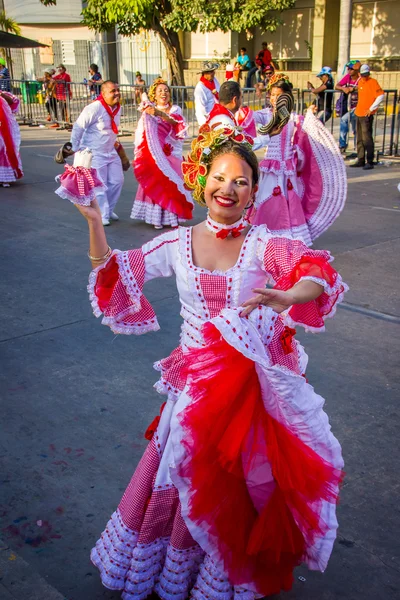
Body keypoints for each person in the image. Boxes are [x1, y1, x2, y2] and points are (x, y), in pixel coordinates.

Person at [75, 125, 346, 600]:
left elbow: (315, 272)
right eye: (220, 177)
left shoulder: (265, 244)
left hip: (247, 393)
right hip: (194, 389)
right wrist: (96, 223)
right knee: (183, 477)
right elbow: (118, 273)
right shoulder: (177, 245)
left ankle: (224, 576)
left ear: (253, 193)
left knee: (244, 485)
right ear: (202, 183)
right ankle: (177, 570)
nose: (228, 188)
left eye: (241, 181)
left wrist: (287, 294)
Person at [249, 73, 346, 246]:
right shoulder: (266, 115)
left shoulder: (294, 118)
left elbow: (305, 136)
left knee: (288, 202)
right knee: (267, 200)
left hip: (287, 169)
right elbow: (249, 117)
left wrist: (310, 115)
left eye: (279, 95)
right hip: (271, 168)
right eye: (272, 95)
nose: (274, 99)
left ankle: (287, 237)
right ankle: (265, 235)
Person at [131, 78, 193, 229]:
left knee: (171, 184)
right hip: (154, 153)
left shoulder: (174, 110)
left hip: (169, 153)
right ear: (154, 95)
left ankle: (171, 216)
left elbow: (175, 122)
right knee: (156, 182)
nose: (163, 93)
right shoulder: (148, 111)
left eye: (166, 90)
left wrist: (158, 113)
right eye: (160, 91)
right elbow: (141, 132)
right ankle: (156, 218)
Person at [70, 80, 124, 226]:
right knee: (100, 186)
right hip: (94, 152)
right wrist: (75, 148)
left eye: (117, 90)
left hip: (110, 151)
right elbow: (78, 127)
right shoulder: (94, 108)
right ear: (104, 93)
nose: (117, 93)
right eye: (113, 91)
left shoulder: (118, 108)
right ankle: (102, 214)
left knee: (117, 181)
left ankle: (109, 209)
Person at [350, 64, 384, 170]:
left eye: (366, 75)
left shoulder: (373, 82)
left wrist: (371, 108)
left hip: (366, 114)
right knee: (359, 138)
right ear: (360, 74)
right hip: (359, 113)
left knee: (367, 138)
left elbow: (380, 95)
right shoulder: (360, 82)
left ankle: (369, 161)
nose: (365, 77)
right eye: (363, 75)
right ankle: (361, 159)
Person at [335, 60, 361, 154]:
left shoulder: (361, 78)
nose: (349, 71)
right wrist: (343, 88)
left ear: (357, 70)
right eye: (348, 69)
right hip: (350, 106)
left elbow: (362, 87)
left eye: (351, 69)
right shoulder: (347, 77)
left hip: (359, 106)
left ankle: (350, 146)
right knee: (354, 127)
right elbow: (337, 86)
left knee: (346, 121)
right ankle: (348, 146)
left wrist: (353, 88)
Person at [0, 91, 23, 186]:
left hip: (3, 129)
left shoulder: (3, 94)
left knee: (4, 150)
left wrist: (1, 95)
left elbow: (13, 102)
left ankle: (5, 178)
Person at [194, 61, 220, 126]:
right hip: (209, 119)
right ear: (205, 73)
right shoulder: (200, 88)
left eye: (213, 71)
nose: (213, 73)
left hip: (218, 115)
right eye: (210, 72)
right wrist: (205, 124)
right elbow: (200, 109)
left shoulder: (215, 81)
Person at [53, 64, 72, 129]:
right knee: (61, 110)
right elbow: (53, 79)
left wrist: (55, 81)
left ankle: (68, 122)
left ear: (64, 69)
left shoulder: (66, 76)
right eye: (58, 68)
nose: (59, 70)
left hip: (65, 95)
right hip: (60, 96)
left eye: (60, 68)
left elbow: (62, 80)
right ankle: (64, 123)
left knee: (66, 110)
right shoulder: (58, 76)